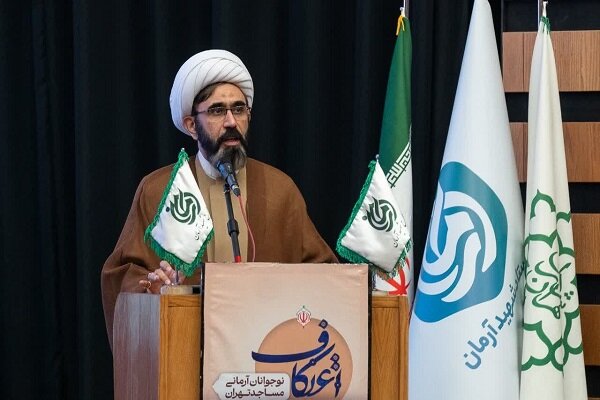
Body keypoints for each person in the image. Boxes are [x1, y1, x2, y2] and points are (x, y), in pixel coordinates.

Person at [101, 49, 337, 348]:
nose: (231, 121)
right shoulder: (159, 189)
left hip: (265, 352)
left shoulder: (280, 189)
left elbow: (323, 272)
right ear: (191, 125)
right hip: (185, 350)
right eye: (216, 111)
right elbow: (121, 277)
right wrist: (153, 290)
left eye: (239, 109)